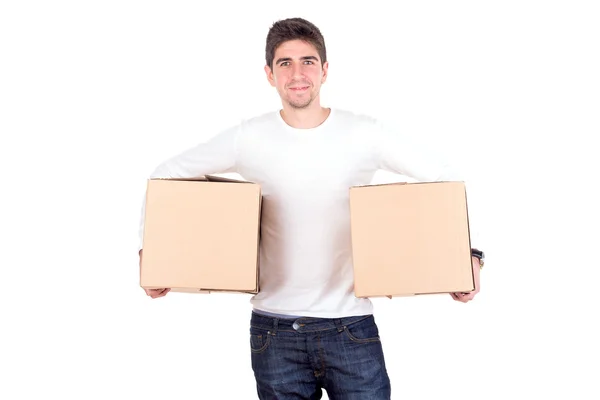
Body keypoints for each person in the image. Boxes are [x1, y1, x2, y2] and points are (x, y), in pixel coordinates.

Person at [137, 17, 484, 400]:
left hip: (350, 326)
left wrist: (471, 256)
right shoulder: (247, 138)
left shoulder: (364, 132)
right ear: (270, 74)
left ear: (324, 70)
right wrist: (151, 256)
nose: (297, 73)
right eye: (285, 63)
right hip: (274, 332)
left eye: (308, 61)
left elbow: (448, 180)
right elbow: (165, 175)